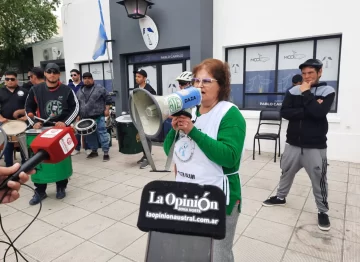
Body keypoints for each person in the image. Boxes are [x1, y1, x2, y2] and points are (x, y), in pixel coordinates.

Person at [163, 58, 246, 262]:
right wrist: (174, 130)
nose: (199, 86)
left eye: (206, 81)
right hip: (188, 196)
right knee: (193, 250)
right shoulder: (191, 112)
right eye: (196, 81)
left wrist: (193, 131)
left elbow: (229, 156)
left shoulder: (230, 114)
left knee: (218, 255)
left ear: (221, 85)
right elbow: (170, 151)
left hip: (219, 198)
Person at [262, 59, 335, 231]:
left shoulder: (327, 91)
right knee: (286, 172)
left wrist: (307, 94)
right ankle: (281, 198)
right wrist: (307, 110)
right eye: (304, 73)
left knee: (319, 179)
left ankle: (323, 211)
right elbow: (284, 113)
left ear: (320, 72)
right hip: (293, 143)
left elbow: (319, 114)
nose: (307, 76)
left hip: (315, 146)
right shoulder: (293, 91)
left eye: (311, 72)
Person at [25, 63, 79, 205]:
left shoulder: (67, 90)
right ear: (45, 73)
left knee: (61, 159)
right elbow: (28, 108)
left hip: (60, 132)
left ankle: (61, 187)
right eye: (49, 72)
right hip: (42, 132)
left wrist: (65, 123)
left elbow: (76, 108)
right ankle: (40, 191)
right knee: (40, 161)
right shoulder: (35, 90)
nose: (52, 74)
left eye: (55, 72)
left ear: (59, 74)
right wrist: (33, 122)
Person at [76, 72, 111, 161]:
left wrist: (107, 109)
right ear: (83, 80)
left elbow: (108, 98)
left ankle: (106, 152)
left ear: (92, 79)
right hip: (86, 118)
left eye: (89, 78)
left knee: (102, 134)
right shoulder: (80, 91)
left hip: (98, 116)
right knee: (90, 136)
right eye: (85, 78)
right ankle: (94, 151)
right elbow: (77, 104)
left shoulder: (99, 88)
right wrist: (78, 116)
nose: (87, 80)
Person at [0, 71, 28, 167]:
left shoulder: (24, 91)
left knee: (23, 145)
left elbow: (30, 107)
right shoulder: (1, 91)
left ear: (17, 80)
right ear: (5, 81)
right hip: (6, 123)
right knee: (7, 146)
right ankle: (9, 166)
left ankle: (25, 165)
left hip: (21, 123)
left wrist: (25, 116)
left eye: (12, 79)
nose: (10, 81)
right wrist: (1, 118)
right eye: (7, 79)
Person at [133, 69, 156, 169]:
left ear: (144, 78)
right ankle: (144, 155)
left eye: (139, 77)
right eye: (136, 76)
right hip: (139, 116)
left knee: (147, 137)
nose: (136, 78)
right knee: (141, 137)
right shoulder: (136, 89)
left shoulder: (150, 90)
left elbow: (154, 104)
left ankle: (148, 158)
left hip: (147, 117)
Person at [68, 69, 89, 156]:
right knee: (75, 131)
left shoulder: (83, 85)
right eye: (71, 75)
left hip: (83, 110)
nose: (73, 77)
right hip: (73, 111)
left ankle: (88, 148)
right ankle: (77, 148)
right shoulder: (69, 86)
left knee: (85, 130)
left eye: (74, 75)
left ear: (79, 75)